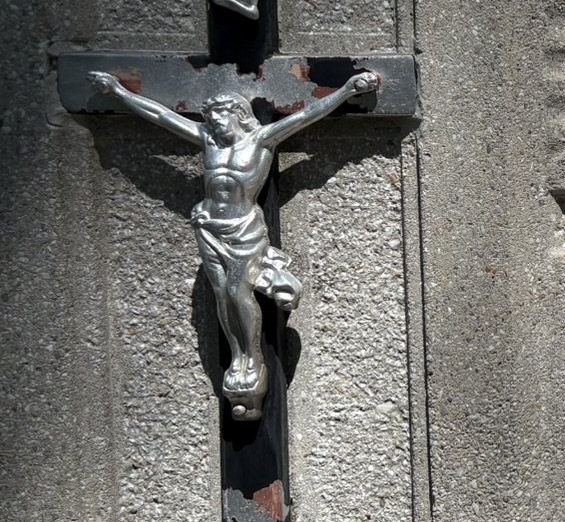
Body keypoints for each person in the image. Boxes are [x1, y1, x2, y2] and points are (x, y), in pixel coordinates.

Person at [87, 69, 381, 419]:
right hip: (210, 227)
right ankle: (237, 359)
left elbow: (307, 115)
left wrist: (347, 90)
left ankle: (251, 357)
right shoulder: (208, 140)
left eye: (220, 116)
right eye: (210, 118)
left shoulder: (261, 140)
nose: (215, 123)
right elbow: (161, 116)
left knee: (238, 292)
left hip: (243, 228)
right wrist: (118, 93)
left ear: (239, 115)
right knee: (221, 296)